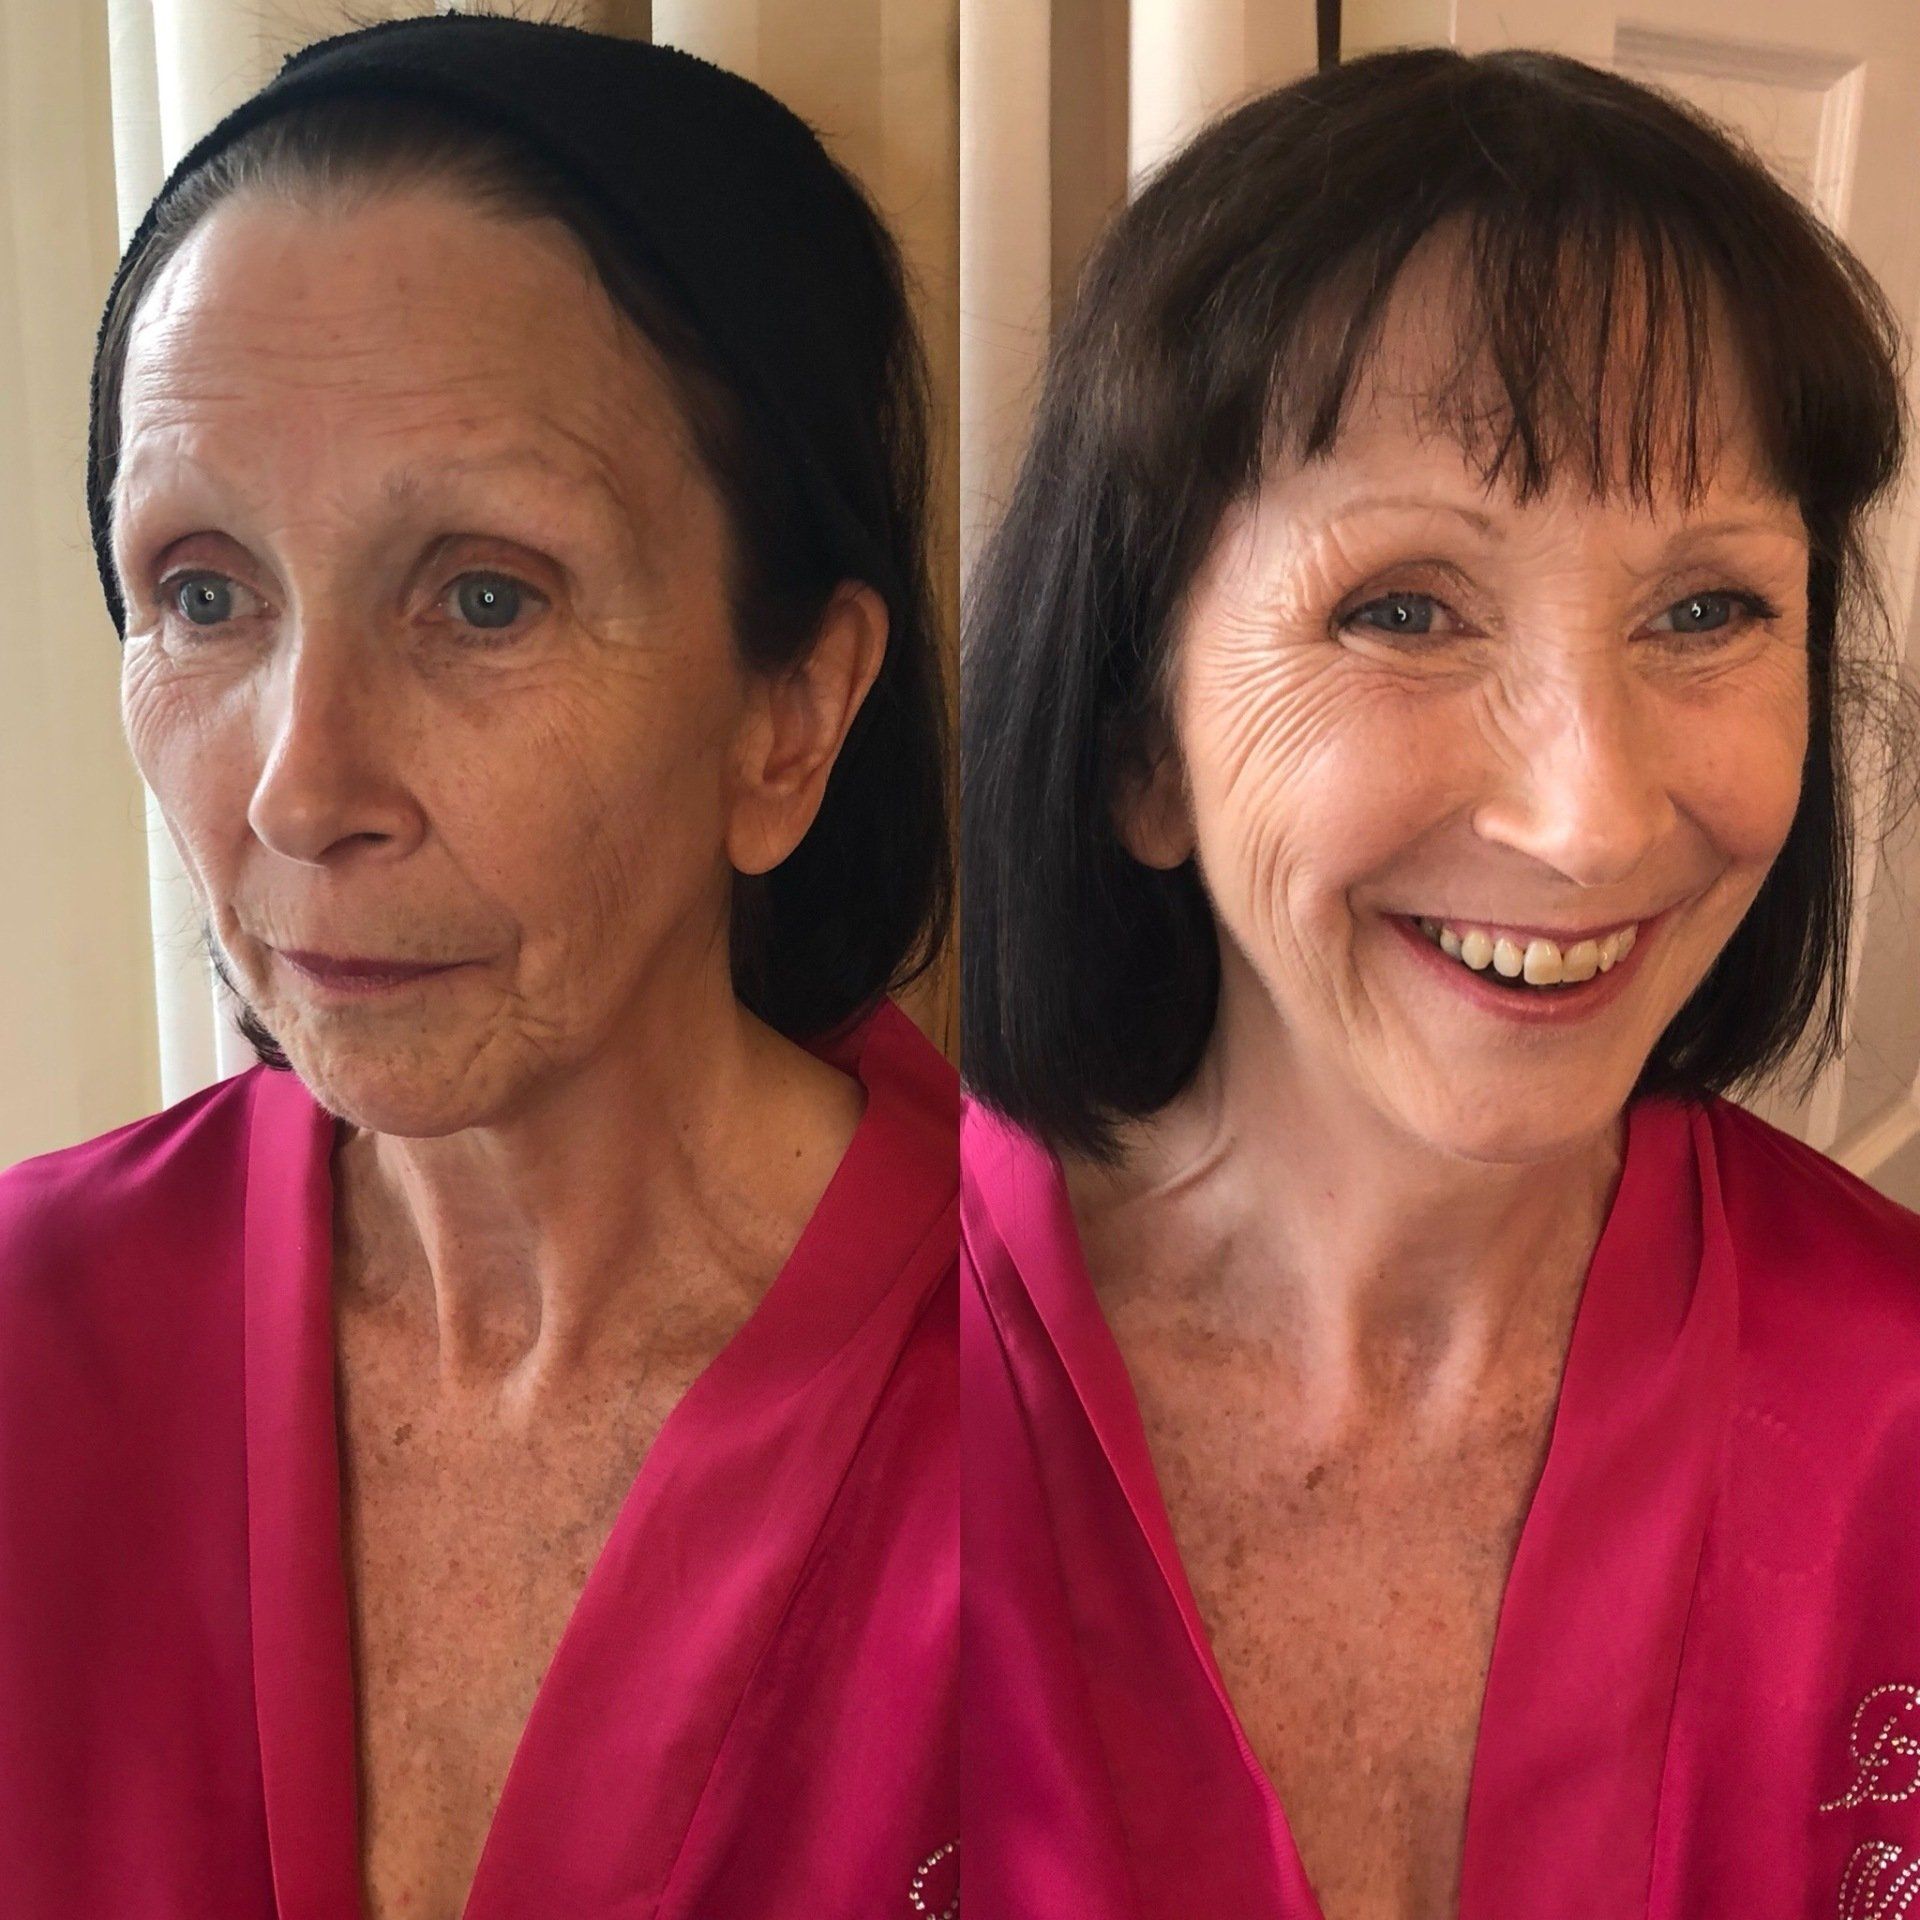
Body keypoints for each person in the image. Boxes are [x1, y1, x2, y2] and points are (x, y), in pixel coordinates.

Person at [0, 15, 957, 1920]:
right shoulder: (34, 1347)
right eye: (205, 593)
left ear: (790, 710)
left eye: (485, 597)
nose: (301, 790)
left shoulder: (1114, 1426)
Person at [961, 44, 1920, 1920]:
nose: (1588, 819)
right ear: (1142, 742)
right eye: (1403, 608)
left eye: (1706, 610)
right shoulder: (817, 1400)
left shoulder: (1896, 1407)